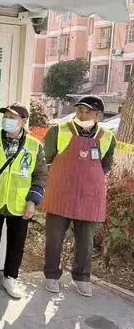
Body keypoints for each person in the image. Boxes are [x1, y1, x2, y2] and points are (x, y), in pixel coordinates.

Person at [0, 103, 47, 300]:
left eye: (12, 117)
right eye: (5, 116)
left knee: (17, 243)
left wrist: (32, 201)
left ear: (23, 121)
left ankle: (11, 277)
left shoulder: (34, 145)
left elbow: (40, 176)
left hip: (20, 203)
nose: (7, 120)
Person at [42, 96, 116, 298]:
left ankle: (82, 277)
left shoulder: (108, 137)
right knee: (54, 238)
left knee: (86, 241)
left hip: (89, 196)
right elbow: (45, 159)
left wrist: (89, 179)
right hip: (60, 194)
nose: (82, 114)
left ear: (98, 115)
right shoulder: (59, 130)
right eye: (80, 110)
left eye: (88, 111)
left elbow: (106, 165)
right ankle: (51, 275)